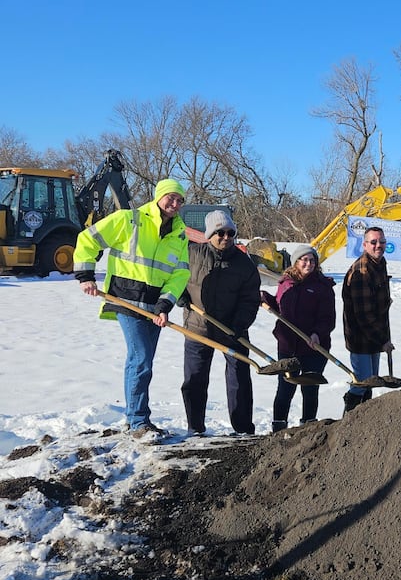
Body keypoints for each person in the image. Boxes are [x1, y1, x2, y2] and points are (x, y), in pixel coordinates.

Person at [74, 179, 190, 441]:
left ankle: (134, 417)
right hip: (125, 300)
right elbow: (88, 239)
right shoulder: (130, 219)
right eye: (170, 198)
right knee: (141, 360)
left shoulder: (180, 233)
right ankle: (139, 421)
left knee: (139, 361)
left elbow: (180, 273)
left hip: (154, 306)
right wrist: (85, 275)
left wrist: (165, 304)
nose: (174, 204)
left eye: (179, 200)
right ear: (159, 196)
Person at [180, 210, 261, 436]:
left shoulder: (244, 264)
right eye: (220, 233)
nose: (226, 237)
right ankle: (194, 428)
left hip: (232, 330)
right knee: (194, 379)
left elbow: (250, 299)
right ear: (209, 234)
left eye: (230, 233)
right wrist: (178, 293)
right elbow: (175, 277)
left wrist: (239, 325)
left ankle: (243, 429)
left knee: (239, 380)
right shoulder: (191, 254)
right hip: (198, 328)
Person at [261, 245, 335, 433]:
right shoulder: (286, 282)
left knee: (310, 388)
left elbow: (328, 317)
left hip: (314, 347)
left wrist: (318, 333)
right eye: (304, 260)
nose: (308, 263)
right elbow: (280, 308)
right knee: (285, 388)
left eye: (312, 260)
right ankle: (279, 428)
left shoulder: (323, 286)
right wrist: (265, 299)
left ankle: (308, 427)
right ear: (296, 262)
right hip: (288, 345)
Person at [341, 226, 394, 413]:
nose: (378, 245)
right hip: (361, 338)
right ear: (364, 245)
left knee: (370, 382)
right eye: (373, 242)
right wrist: (383, 341)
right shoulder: (361, 271)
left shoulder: (380, 263)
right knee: (361, 384)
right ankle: (348, 420)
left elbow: (380, 308)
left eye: (381, 242)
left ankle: (363, 425)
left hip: (375, 336)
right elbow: (364, 316)